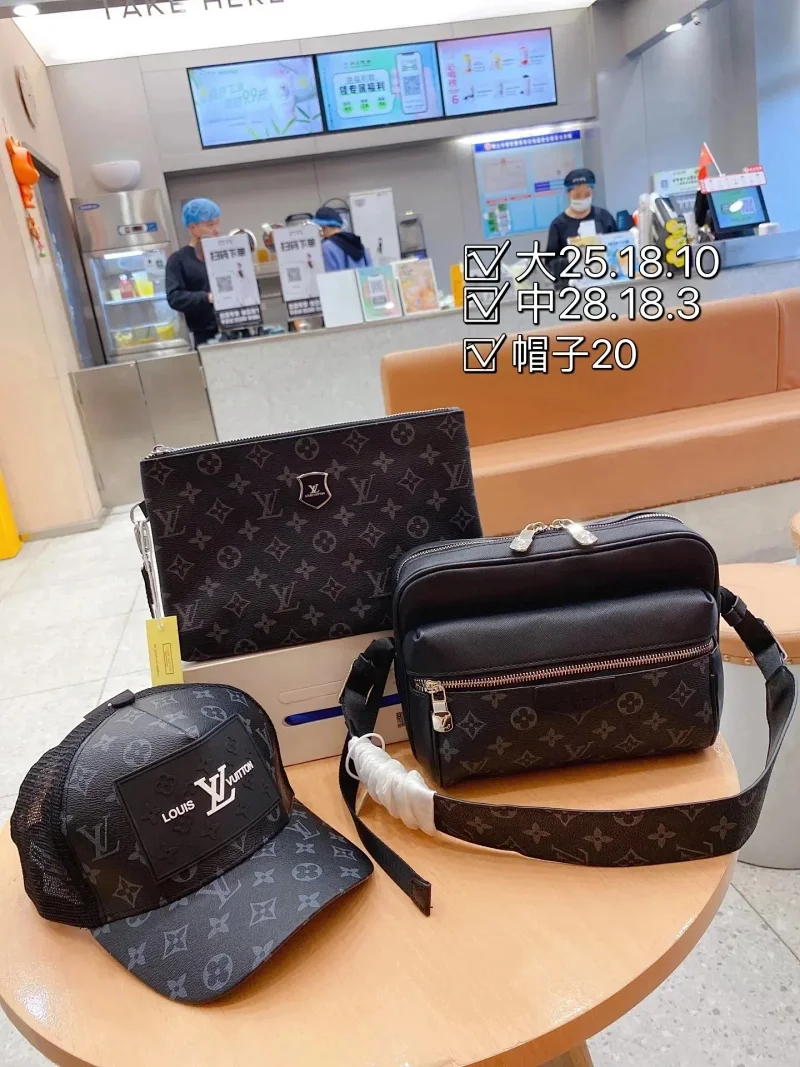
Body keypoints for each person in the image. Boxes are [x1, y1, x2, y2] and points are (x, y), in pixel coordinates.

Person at [545, 169, 617, 283]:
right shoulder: (558, 225)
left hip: (606, 281)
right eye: (577, 195)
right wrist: (573, 259)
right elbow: (550, 263)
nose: (582, 199)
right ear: (568, 194)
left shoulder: (604, 217)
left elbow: (619, 246)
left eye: (587, 194)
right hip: (572, 285)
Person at [165, 197, 221, 346]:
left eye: (218, 223)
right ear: (193, 227)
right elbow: (175, 297)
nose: (216, 230)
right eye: (210, 225)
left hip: (238, 326)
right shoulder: (179, 260)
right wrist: (207, 297)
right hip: (205, 335)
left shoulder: (226, 252)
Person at [311, 206, 372, 271]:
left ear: (322, 227)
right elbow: (371, 270)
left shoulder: (326, 247)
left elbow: (329, 274)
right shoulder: (358, 243)